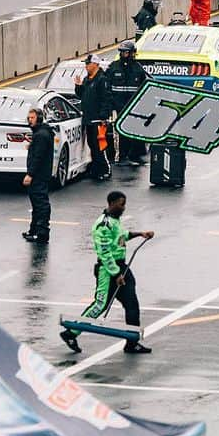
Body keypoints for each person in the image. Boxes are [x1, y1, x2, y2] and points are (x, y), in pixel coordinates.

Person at [61, 191, 153, 354]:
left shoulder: (115, 221)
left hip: (121, 266)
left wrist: (140, 234)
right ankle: (71, 332)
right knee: (100, 304)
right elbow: (104, 252)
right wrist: (116, 274)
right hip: (107, 270)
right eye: (120, 204)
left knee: (132, 304)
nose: (123, 207)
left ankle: (132, 342)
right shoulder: (102, 225)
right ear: (111, 203)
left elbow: (121, 237)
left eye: (124, 204)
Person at [105, 40, 149, 166]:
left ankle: (135, 155)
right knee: (121, 133)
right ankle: (122, 156)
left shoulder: (138, 69)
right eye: (122, 52)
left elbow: (143, 87)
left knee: (135, 131)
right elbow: (107, 87)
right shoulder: (113, 67)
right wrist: (111, 105)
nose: (124, 54)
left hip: (134, 107)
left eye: (126, 52)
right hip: (118, 107)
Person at [75, 54, 112, 182]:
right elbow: (81, 96)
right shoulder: (87, 79)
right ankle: (96, 169)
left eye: (88, 63)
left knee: (99, 146)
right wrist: (78, 86)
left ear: (95, 64)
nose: (86, 66)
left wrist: (103, 116)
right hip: (88, 118)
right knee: (91, 145)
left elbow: (106, 99)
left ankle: (105, 169)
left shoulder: (102, 79)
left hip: (97, 119)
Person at [21, 108, 54, 243]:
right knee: (36, 203)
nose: (29, 120)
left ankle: (41, 232)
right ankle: (34, 230)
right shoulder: (42, 133)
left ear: (39, 118)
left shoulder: (41, 135)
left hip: (39, 175)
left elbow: (38, 157)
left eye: (32, 118)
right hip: (41, 173)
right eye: (28, 118)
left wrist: (30, 174)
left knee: (40, 203)